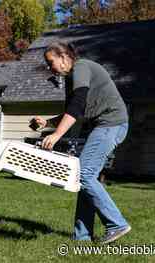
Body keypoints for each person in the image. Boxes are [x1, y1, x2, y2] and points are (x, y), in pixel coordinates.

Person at [32, 42, 131, 243]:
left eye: (51, 62)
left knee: (83, 174)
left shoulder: (81, 67)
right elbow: (73, 112)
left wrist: (57, 135)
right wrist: (47, 123)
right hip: (104, 126)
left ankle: (117, 223)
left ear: (64, 56)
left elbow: (77, 104)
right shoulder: (71, 79)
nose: (50, 67)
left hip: (111, 123)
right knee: (85, 178)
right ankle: (82, 236)